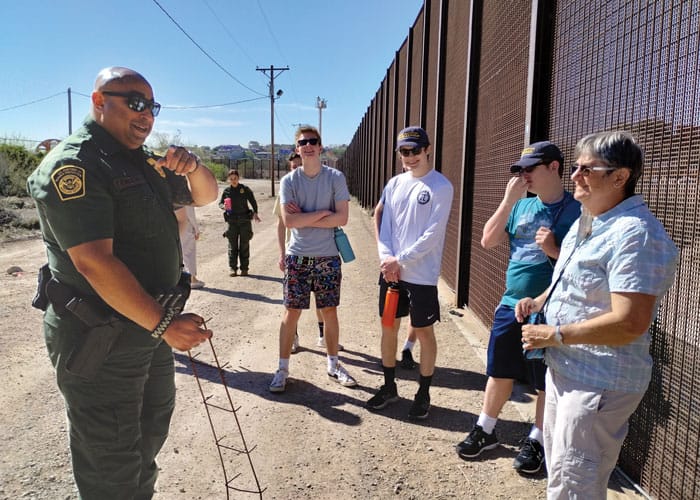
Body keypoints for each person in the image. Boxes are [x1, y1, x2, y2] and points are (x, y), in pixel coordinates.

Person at [26, 66, 218, 498]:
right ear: (99, 101)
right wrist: (165, 326)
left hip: (145, 331)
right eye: (134, 103)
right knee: (110, 463)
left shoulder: (140, 161)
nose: (146, 114)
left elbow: (205, 196)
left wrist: (194, 166)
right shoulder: (75, 166)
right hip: (100, 338)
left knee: (148, 439)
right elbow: (95, 262)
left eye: (152, 106)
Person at [516, 131, 678, 498]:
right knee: (561, 471)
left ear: (620, 177)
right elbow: (572, 278)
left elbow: (629, 323)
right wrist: (541, 301)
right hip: (568, 368)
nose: (575, 176)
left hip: (598, 380)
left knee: (576, 483)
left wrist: (555, 334)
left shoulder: (635, 234)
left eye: (587, 169)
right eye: (575, 167)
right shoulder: (590, 218)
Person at [456, 141, 580, 475]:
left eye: (530, 168)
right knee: (499, 369)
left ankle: (537, 439)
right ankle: (486, 428)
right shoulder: (521, 207)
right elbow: (488, 240)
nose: (523, 175)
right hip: (511, 302)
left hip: (552, 307)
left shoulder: (576, 211)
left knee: (543, 379)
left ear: (553, 167)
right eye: (520, 170)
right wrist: (509, 199)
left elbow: (581, 267)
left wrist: (553, 250)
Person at [366, 126, 454, 420]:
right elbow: (385, 225)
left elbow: (432, 234)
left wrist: (399, 260)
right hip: (391, 273)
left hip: (421, 276)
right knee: (388, 326)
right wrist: (386, 258)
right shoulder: (394, 184)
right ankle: (389, 386)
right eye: (405, 151)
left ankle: (423, 392)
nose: (411, 157)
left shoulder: (440, 187)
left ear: (427, 149)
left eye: (415, 150)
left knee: (425, 333)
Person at [269, 125, 356, 393]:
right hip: (298, 258)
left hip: (327, 257)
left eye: (312, 141)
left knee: (329, 312)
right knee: (291, 313)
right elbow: (290, 221)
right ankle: (282, 369)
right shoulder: (289, 181)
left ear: (320, 147)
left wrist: (307, 216)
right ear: (297, 148)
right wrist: (323, 213)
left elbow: (342, 218)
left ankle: (333, 364)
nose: (307, 145)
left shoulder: (335, 177)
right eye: (302, 142)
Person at [273, 151, 333, 354]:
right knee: (293, 304)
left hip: (318, 250)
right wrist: (282, 253)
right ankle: (294, 338)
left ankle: (323, 336)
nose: (297, 168)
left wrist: (303, 216)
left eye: (300, 165)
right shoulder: (286, 190)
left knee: (322, 300)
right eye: (293, 166)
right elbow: (282, 224)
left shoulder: (320, 185)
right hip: (295, 252)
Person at [373, 196, 417, 370]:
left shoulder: (434, 185)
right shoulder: (395, 186)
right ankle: (389, 360)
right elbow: (378, 212)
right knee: (391, 314)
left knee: (417, 312)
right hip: (392, 261)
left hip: (418, 264)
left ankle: (408, 348)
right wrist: (383, 252)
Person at [219, 169, 261, 277]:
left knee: (244, 246)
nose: (233, 181)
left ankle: (244, 268)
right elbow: (220, 203)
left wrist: (255, 212)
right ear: (229, 179)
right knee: (232, 246)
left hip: (244, 221)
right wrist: (223, 206)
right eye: (231, 179)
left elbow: (253, 201)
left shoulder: (244, 189)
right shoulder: (227, 191)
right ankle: (233, 268)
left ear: (238, 178)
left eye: (235, 178)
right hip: (232, 221)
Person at [175, 205, 205, 288]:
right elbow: (190, 213)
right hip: (185, 225)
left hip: (173, 225)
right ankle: (192, 279)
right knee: (188, 253)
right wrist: (196, 228)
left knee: (179, 253)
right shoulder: (183, 193)